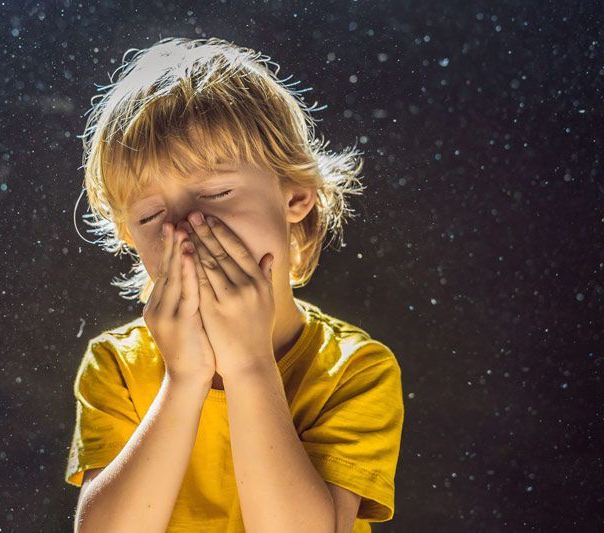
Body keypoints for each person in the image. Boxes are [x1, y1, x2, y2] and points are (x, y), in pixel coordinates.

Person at [64, 37, 404, 533]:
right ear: (129, 239)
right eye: (150, 215)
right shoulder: (115, 364)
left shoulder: (355, 370)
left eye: (217, 191)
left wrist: (248, 364)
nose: (184, 228)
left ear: (295, 196)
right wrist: (184, 379)